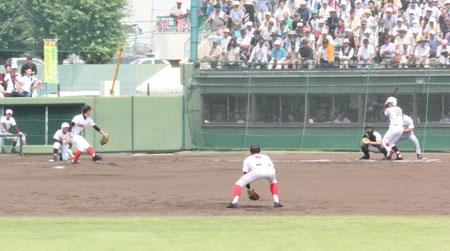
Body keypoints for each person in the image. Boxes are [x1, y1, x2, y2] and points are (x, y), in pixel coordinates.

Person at [226, 144, 282, 208]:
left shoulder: (247, 159)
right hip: (271, 171)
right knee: (273, 181)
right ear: (260, 151)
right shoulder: (266, 157)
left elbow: (245, 173)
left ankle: (234, 202)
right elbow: (274, 169)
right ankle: (277, 202)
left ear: (250, 152)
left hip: (257, 171)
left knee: (239, 183)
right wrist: (273, 176)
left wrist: (249, 189)